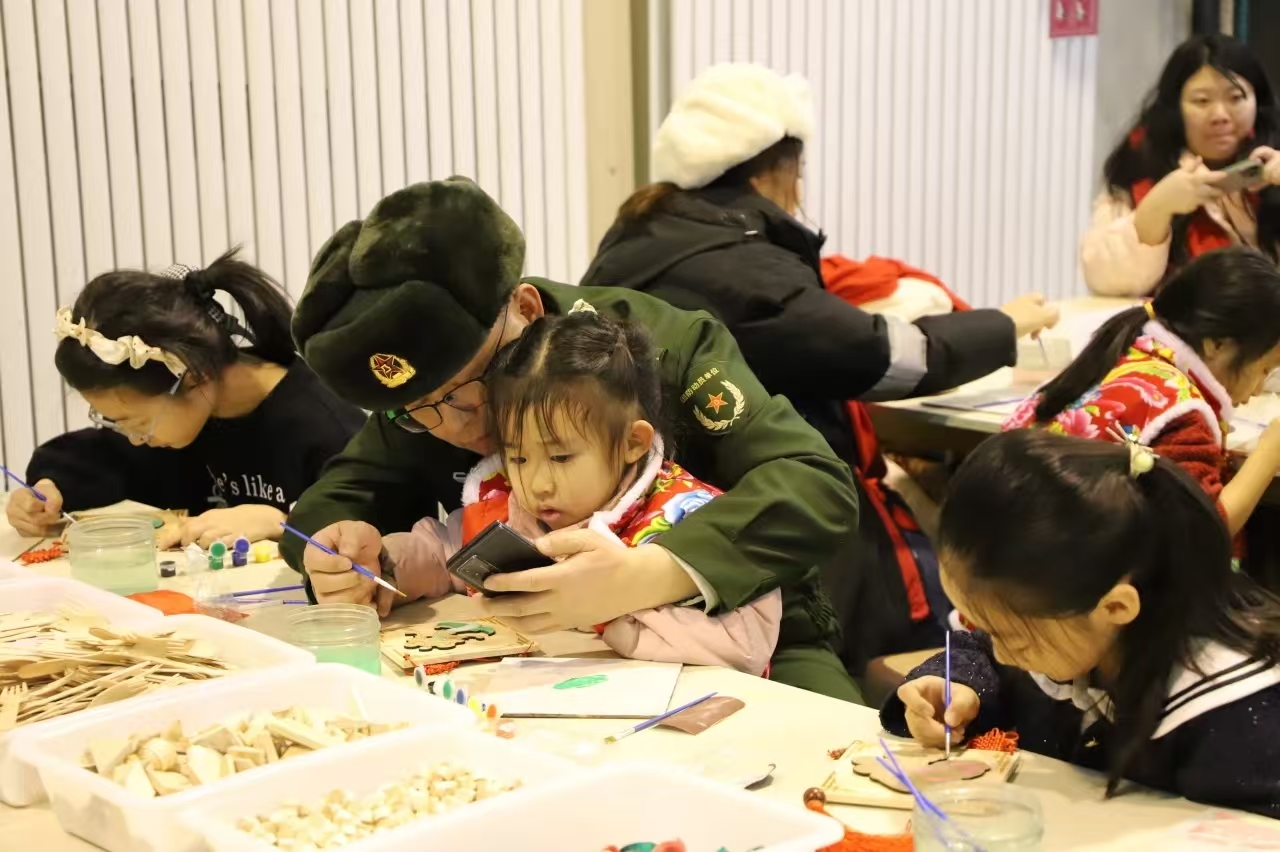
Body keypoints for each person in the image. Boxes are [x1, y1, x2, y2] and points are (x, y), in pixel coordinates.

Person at [285, 176, 863, 701]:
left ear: (525, 307)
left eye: (472, 389)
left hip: (747, 633)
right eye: (419, 413)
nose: (461, 427)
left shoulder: (651, 351)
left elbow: (814, 484)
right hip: (551, 655)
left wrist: (648, 575)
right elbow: (328, 511)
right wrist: (345, 563)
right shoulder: (429, 398)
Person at [579, 62, 1059, 671]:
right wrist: (1004, 325)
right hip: (757, 539)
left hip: (649, 518)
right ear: (772, 171)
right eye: (799, 171)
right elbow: (880, 356)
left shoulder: (637, 239)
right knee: (949, 617)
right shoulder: (743, 269)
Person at [881, 430, 1280, 818]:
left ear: (1116, 607)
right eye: (985, 625)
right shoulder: (1063, 618)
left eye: (1012, 637)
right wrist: (957, 684)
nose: (1001, 652)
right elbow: (984, 650)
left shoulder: (1238, 721)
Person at [382, 309, 781, 675]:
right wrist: (387, 564)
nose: (537, 484)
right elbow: (442, 553)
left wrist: (606, 609)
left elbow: (744, 646)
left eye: (561, 457)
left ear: (632, 443)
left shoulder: (686, 519)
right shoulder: (504, 505)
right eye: (519, 457)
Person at [6, 250, 366, 549]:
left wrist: (282, 522)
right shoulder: (188, 415)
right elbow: (101, 459)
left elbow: (376, 523)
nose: (135, 439)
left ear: (192, 376)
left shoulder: (324, 427)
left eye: (138, 424)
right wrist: (49, 489)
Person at [1004, 248, 1280, 541]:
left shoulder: (1125, 352)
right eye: (1264, 370)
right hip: (1068, 561)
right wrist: (1269, 452)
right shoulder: (1181, 415)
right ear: (1217, 345)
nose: (1259, 388)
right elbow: (1205, 531)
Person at [1083, 34, 1280, 296]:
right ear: (1175, 109)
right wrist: (1158, 206)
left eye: (1235, 98)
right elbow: (1107, 282)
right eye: (1202, 101)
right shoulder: (1141, 165)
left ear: (1258, 102)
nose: (1220, 115)